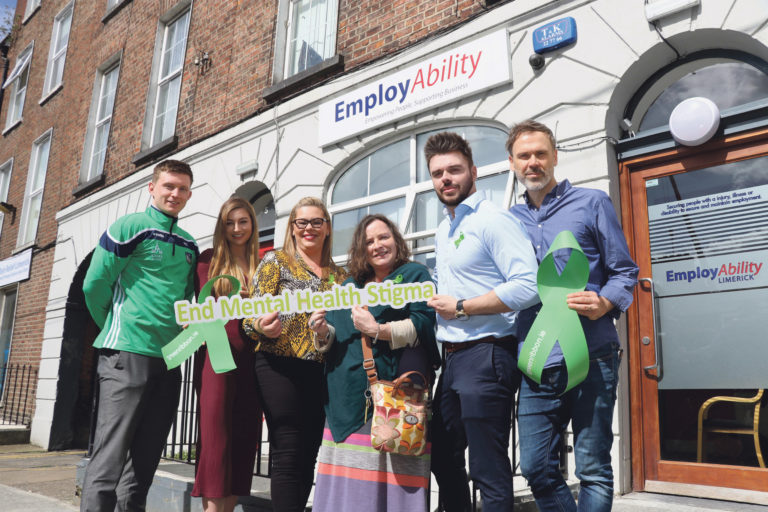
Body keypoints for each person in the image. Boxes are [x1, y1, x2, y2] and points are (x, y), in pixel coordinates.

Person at [507, 119, 638, 512]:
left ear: (555, 157)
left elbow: (625, 271)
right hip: (536, 358)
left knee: (594, 467)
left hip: (592, 352)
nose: (533, 162)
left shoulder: (592, 202)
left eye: (540, 154)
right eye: (524, 156)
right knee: (535, 467)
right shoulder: (508, 222)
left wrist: (605, 303)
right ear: (511, 163)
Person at [424, 132, 539, 512]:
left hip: (488, 353)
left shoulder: (493, 220)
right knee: (441, 454)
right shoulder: (445, 228)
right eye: (438, 173)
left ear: (473, 172)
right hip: (453, 358)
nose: (446, 178)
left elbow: (529, 286)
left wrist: (462, 307)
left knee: (488, 468)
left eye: (454, 170)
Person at [81, 160, 198, 512]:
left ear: (189, 194)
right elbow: (94, 285)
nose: (175, 193)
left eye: (182, 188)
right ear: (152, 187)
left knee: (145, 462)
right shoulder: (130, 226)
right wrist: (116, 327)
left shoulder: (190, 243)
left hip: (169, 360)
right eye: (168, 186)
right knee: (109, 459)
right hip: (125, 355)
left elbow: (189, 302)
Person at [308, 214, 440, 512]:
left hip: (395, 399)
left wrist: (378, 330)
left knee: (395, 490)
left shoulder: (415, 275)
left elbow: (422, 324)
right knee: (348, 495)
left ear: (396, 239)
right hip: (345, 399)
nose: (378, 245)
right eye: (369, 241)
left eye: (384, 237)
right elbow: (334, 337)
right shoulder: (348, 286)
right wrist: (320, 331)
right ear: (360, 248)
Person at [242, 197, 346, 512]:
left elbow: (342, 327)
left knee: (309, 451)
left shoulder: (339, 276)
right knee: (287, 449)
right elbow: (249, 319)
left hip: (320, 370)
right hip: (277, 365)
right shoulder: (275, 262)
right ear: (293, 228)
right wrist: (262, 325)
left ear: (327, 228)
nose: (309, 228)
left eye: (317, 222)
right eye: (302, 222)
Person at [192, 197, 263, 512]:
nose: (237, 229)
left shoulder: (264, 263)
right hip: (217, 353)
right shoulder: (208, 260)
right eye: (230, 222)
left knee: (243, 438)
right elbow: (200, 310)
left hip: (255, 358)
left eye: (243, 221)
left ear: (252, 224)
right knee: (216, 440)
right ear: (222, 226)